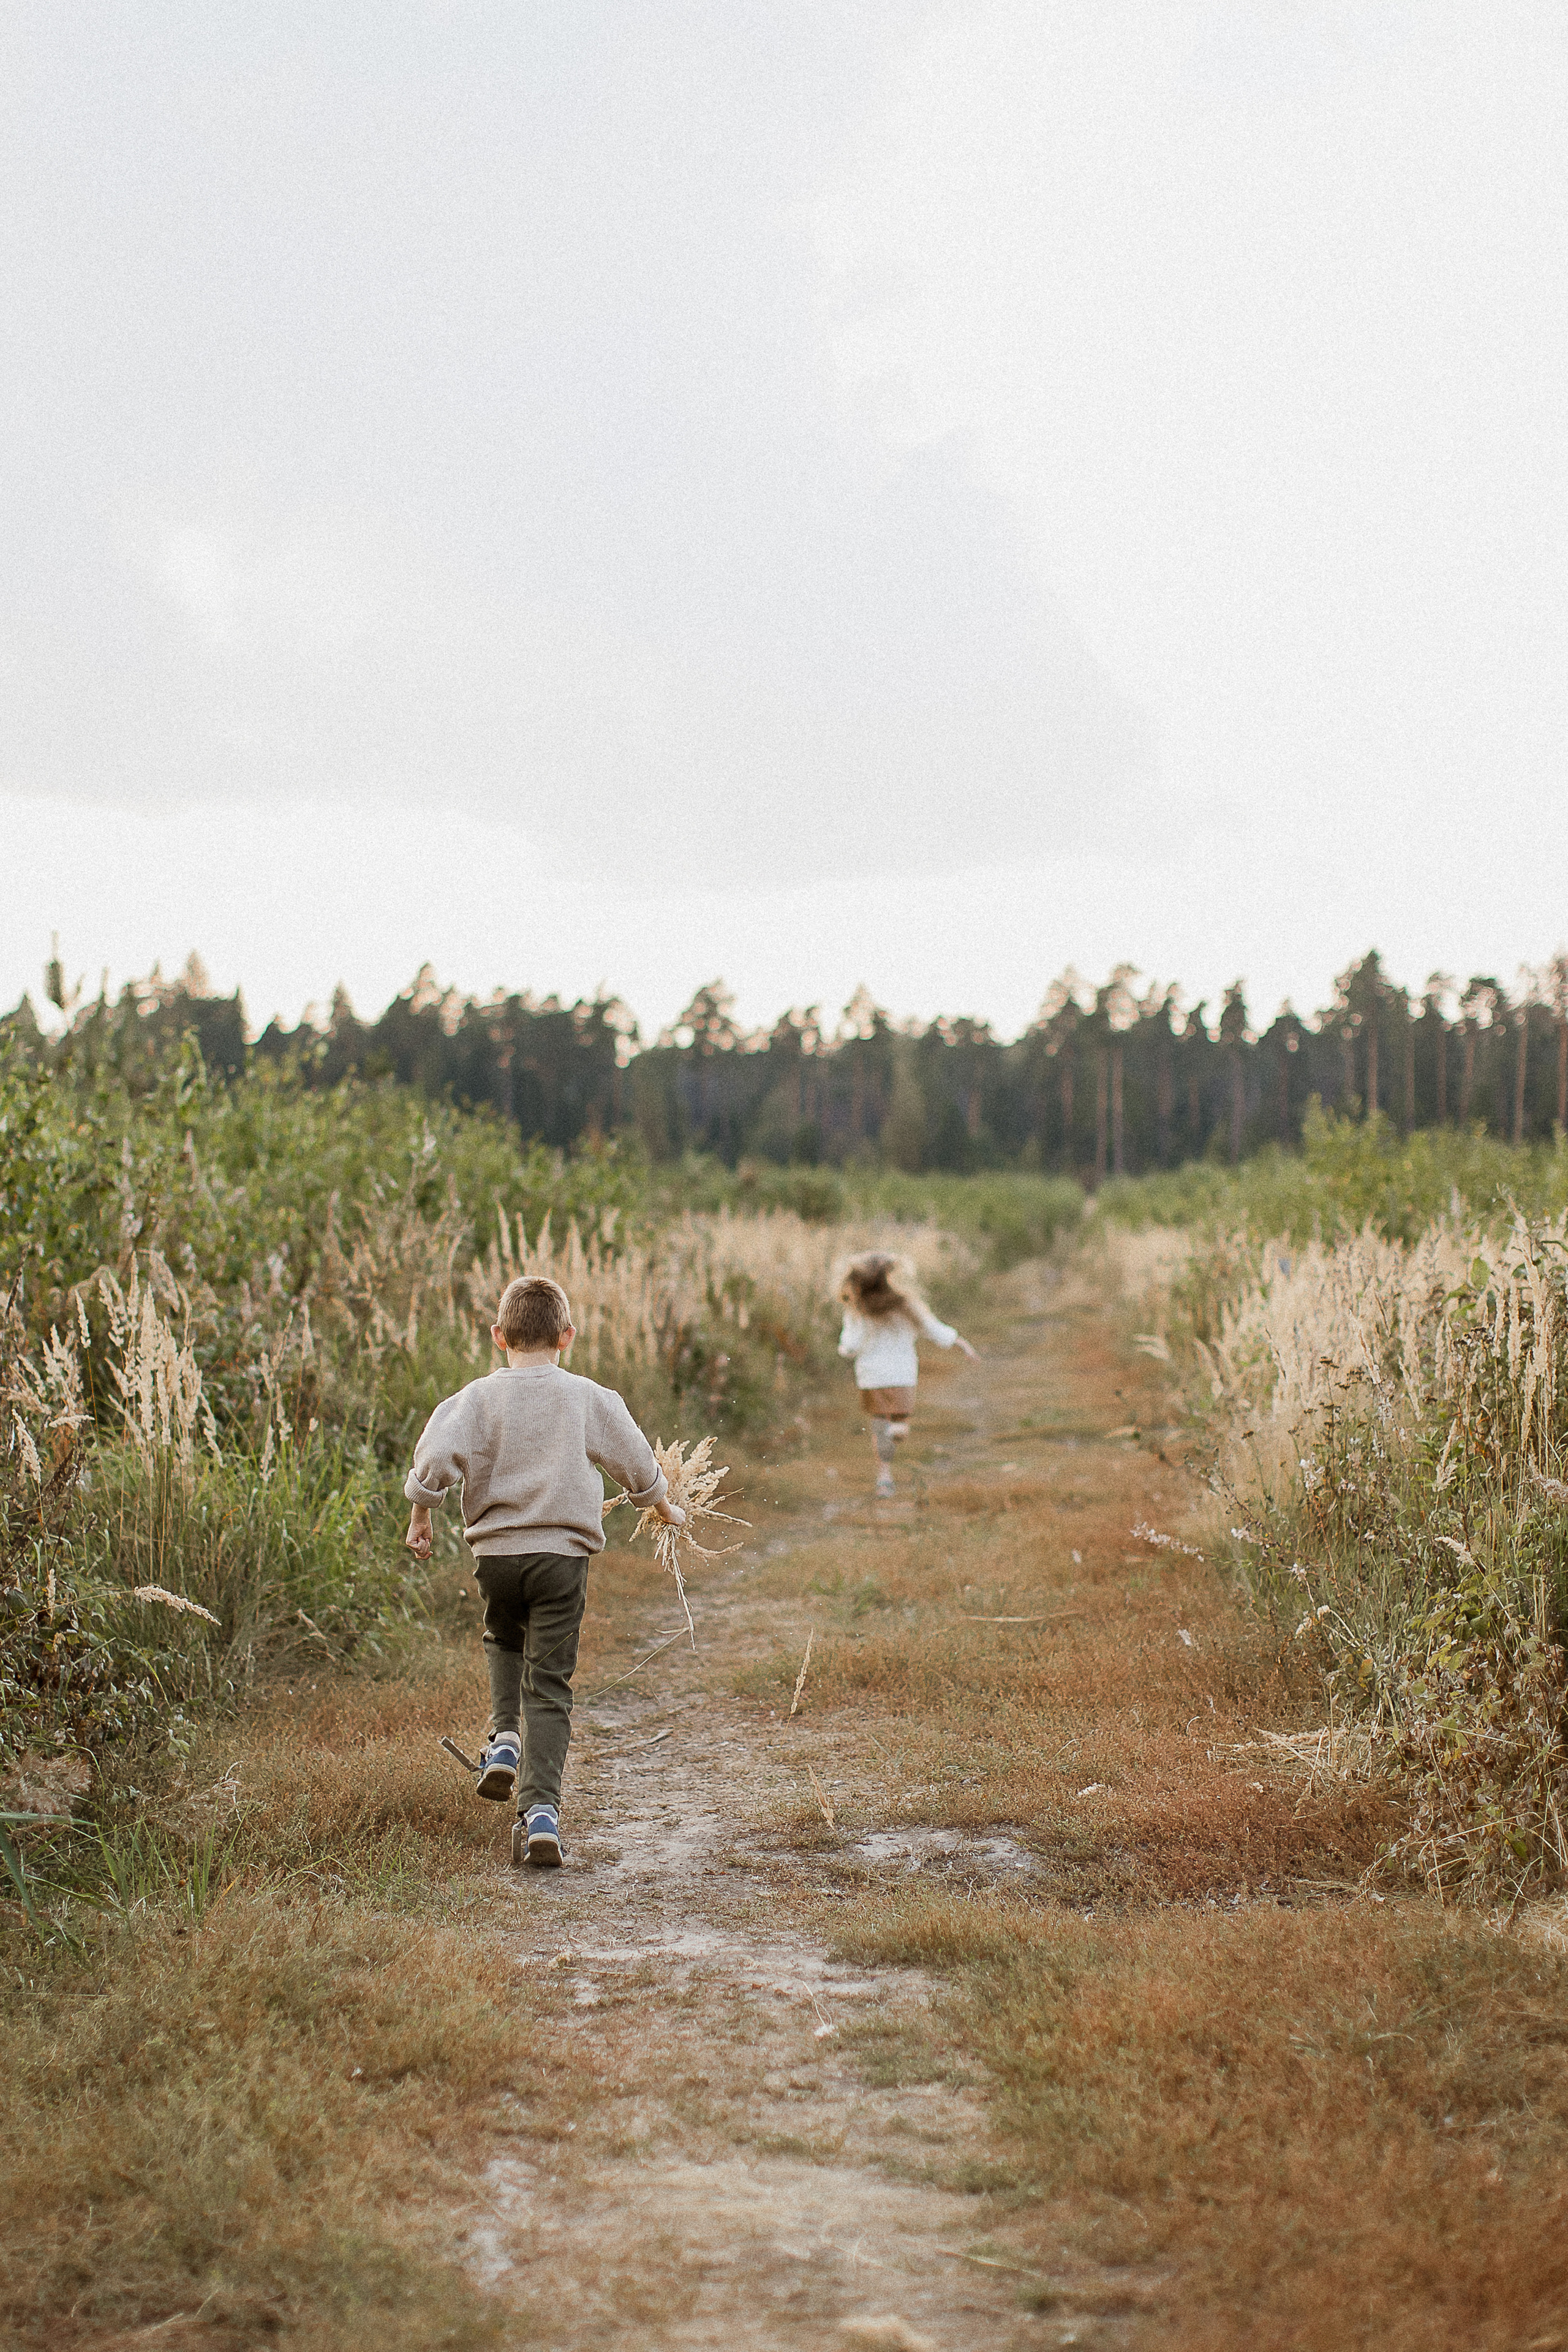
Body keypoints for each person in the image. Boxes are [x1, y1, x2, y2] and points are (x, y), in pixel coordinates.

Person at [404, 1273, 684, 1868]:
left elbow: (434, 1455)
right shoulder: (588, 1397)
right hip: (562, 1560)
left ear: (498, 1336)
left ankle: (504, 1739)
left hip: (496, 1558)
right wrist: (663, 1506)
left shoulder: (477, 1398)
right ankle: (540, 1814)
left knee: (503, 1636)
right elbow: (635, 1460)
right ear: (567, 1336)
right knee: (550, 1683)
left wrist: (420, 1516)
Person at [837, 1251, 978, 1496]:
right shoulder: (906, 1305)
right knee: (899, 1420)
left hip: (872, 1378)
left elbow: (850, 1347)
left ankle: (884, 1477)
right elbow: (934, 1329)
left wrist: (844, 1349)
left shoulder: (857, 1311)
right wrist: (962, 1344)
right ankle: (900, 1427)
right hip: (902, 1376)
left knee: (879, 1428)